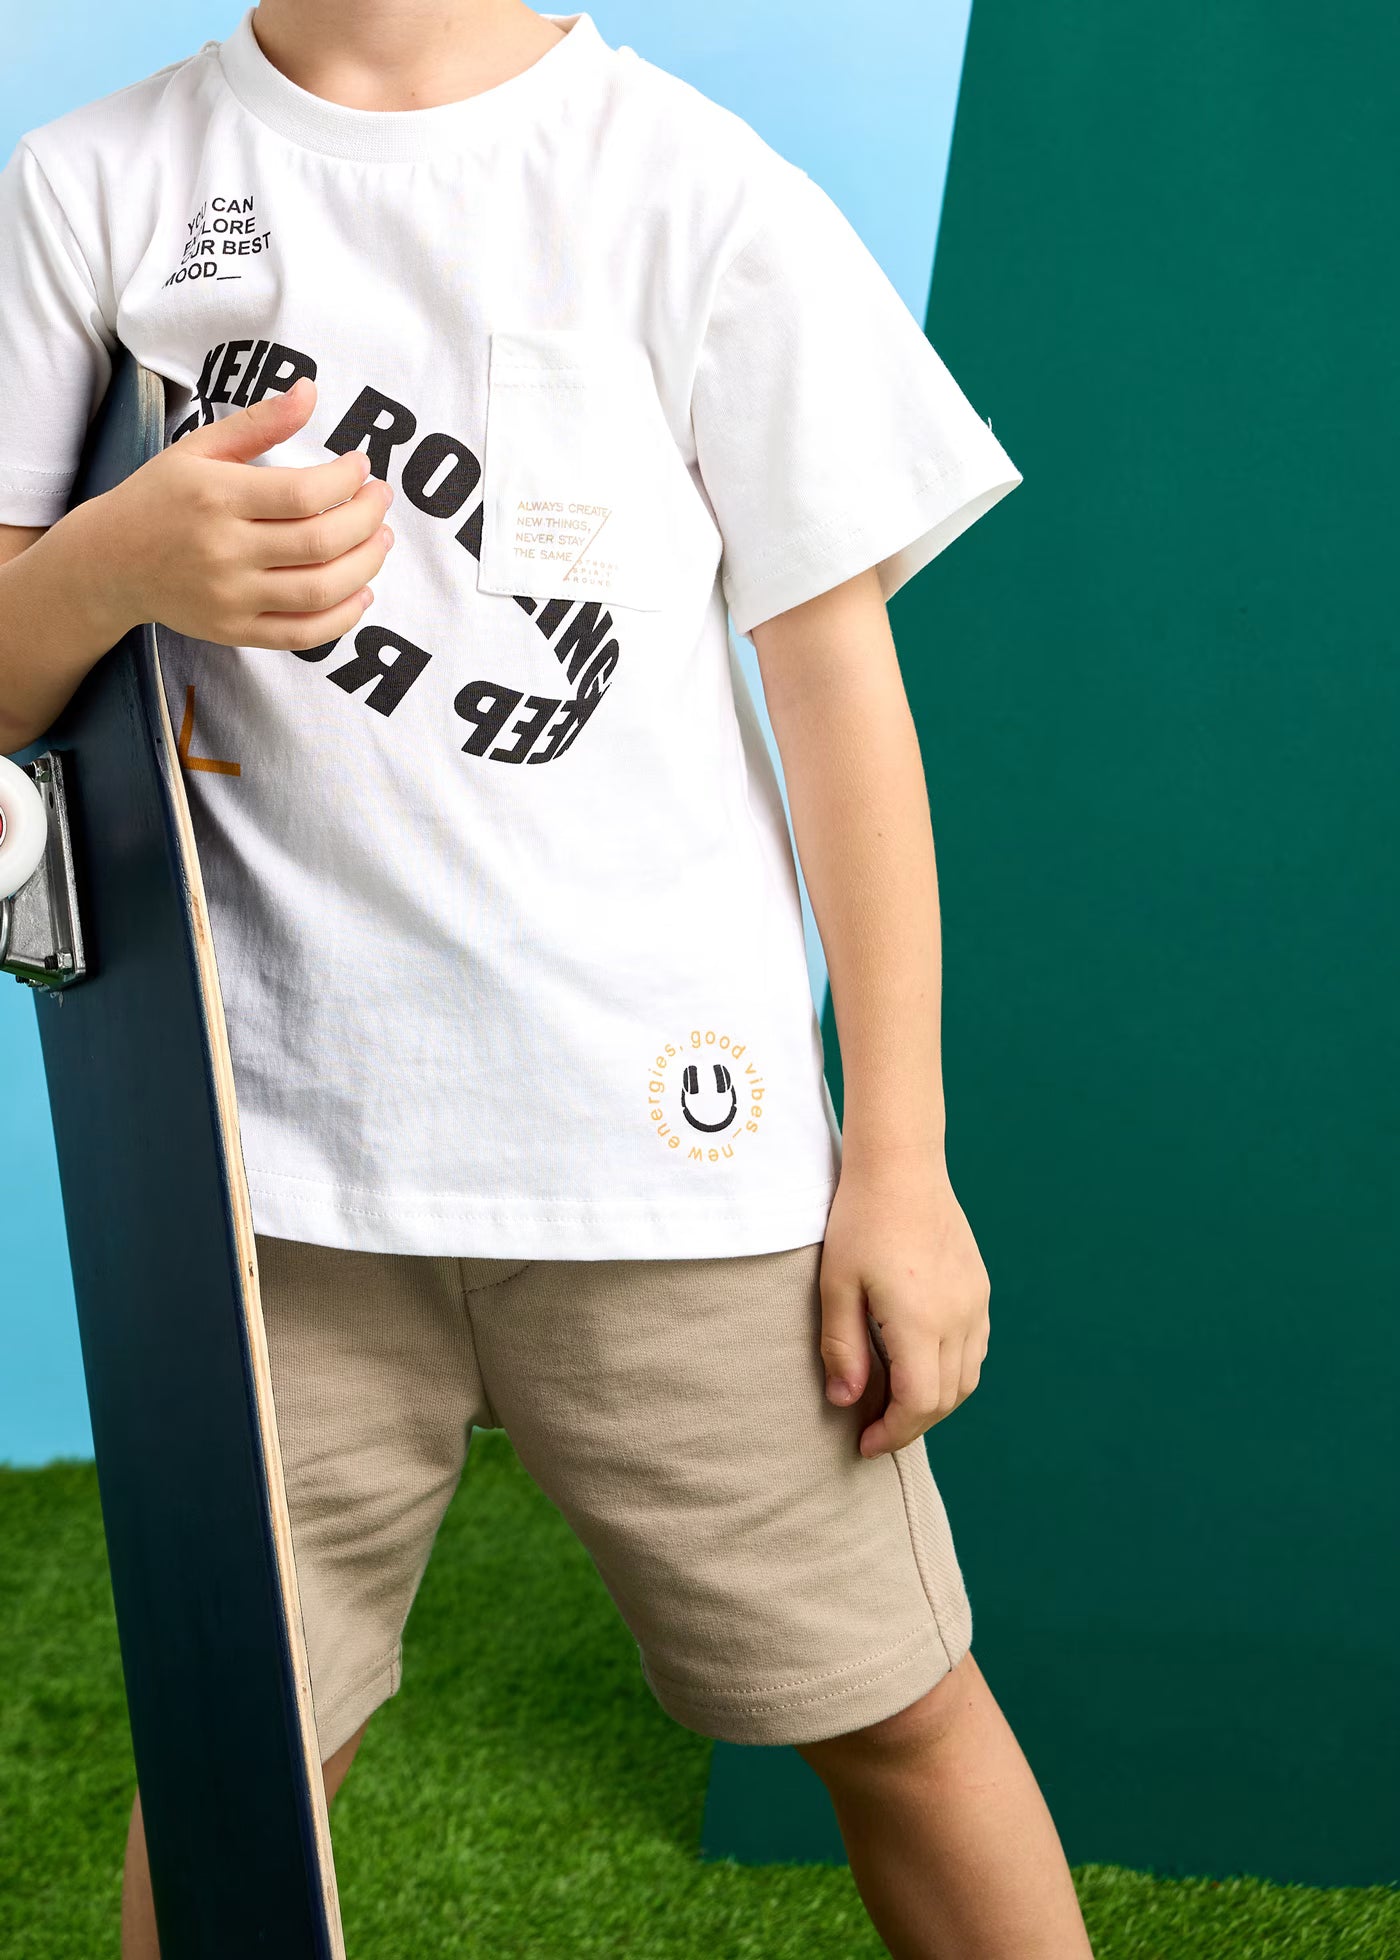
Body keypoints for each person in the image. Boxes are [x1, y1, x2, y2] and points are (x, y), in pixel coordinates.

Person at [0, 5, 1093, 1955]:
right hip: (270, 1190)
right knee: (237, 1762)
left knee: (898, 1711)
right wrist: (112, 567)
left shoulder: (697, 194)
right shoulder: (94, 187)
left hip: (673, 1166)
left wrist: (900, 1165)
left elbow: (841, 698)